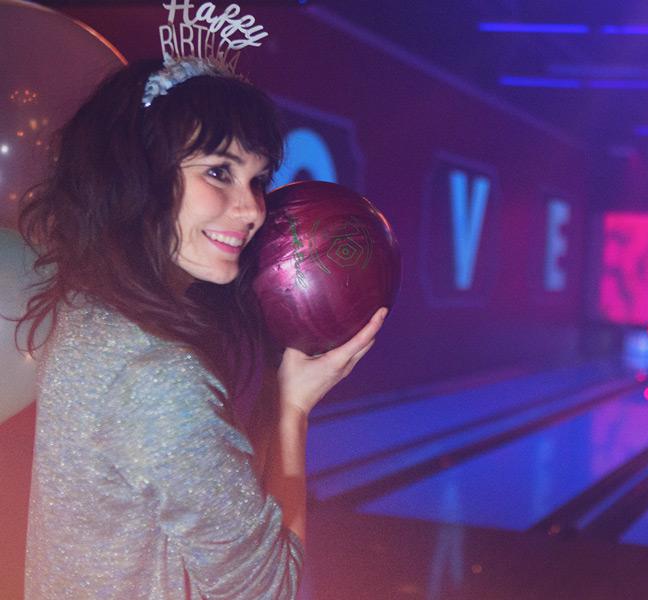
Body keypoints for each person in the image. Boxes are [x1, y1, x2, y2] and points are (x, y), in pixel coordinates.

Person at [16, 57, 385, 599]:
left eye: (257, 179)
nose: (253, 209)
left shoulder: (85, 309)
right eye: (218, 171)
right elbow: (267, 588)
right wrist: (293, 408)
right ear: (137, 173)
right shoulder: (158, 379)